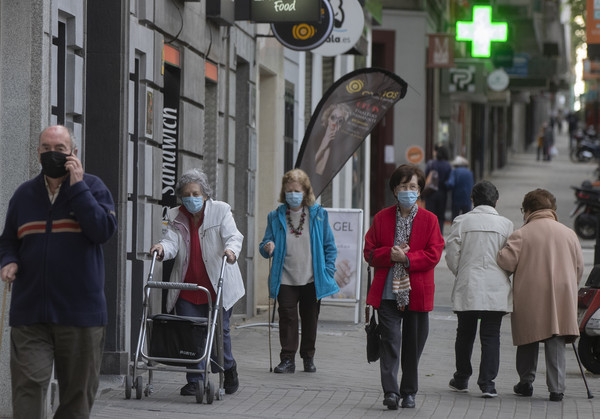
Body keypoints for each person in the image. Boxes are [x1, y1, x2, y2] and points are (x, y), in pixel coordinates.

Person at [0, 125, 117, 418]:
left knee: (76, 400)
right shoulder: (23, 195)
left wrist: (78, 188)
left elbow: (102, 231)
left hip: (80, 316)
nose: (52, 154)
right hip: (30, 314)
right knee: (27, 390)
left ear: (73, 154)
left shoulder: (94, 188)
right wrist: (8, 261)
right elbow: (8, 241)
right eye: (46, 148)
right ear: (38, 152)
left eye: (60, 150)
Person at [149, 168, 245, 396]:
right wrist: (162, 248)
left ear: (205, 195)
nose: (192, 198)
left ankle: (228, 367)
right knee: (191, 334)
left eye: (196, 193)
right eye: (187, 194)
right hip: (188, 286)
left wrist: (231, 251)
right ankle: (195, 379)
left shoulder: (220, 210)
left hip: (215, 285)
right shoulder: (175, 215)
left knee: (219, 333)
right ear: (181, 196)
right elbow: (171, 241)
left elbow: (234, 235)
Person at [363, 164, 444, 410]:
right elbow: (369, 252)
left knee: (413, 345)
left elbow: (434, 253)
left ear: (419, 191)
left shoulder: (430, 220)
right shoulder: (381, 218)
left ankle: (409, 392)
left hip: (417, 293)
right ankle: (390, 391)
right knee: (390, 341)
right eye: (403, 186)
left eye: (413, 187)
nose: (408, 191)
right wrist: (391, 254)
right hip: (388, 293)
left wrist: (408, 259)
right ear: (394, 190)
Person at [497, 189, 583, 402]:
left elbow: (505, 262)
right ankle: (557, 389)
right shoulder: (569, 233)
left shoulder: (522, 233)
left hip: (530, 294)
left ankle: (526, 382)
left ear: (527, 210)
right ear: (551, 209)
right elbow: (579, 267)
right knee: (556, 338)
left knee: (529, 338)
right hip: (562, 295)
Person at [259, 168, 338, 374]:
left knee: (310, 318)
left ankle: (308, 357)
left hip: (312, 278)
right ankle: (287, 359)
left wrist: (328, 270)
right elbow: (264, 244)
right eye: (288, 191)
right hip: (285, 276)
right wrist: (268, 246)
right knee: (287, 317)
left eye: (296, 190)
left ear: (305, 192)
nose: (292, 195)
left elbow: (329, 246)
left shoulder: (319, 215)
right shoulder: (275, 216)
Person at [444, 181, 514, 398]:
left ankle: (462, 377)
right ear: (496, 201)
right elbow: (510, 257)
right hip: (496, 288)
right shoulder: (506, 225)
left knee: (465, 333)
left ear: (472, 199)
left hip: (469, 284)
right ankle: (488, 384)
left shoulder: (462, 221)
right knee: (491, 335)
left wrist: (462, 272)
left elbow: (451, 254)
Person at [424, 145, 452, 234]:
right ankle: (439, 237)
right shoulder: (448, 165)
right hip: (442, 193)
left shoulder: (431, 163)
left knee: (430, 216)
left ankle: (429, 237)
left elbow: (425, 176)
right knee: (440, 217)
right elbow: (449, 180)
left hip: (430, 193)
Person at [445, 155, 474, 220]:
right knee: (466, 219)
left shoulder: (454, 172)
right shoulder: (469, 172)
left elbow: (450, 184)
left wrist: (445, 184)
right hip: (467, 199)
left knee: (455, 219)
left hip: (457, 199)